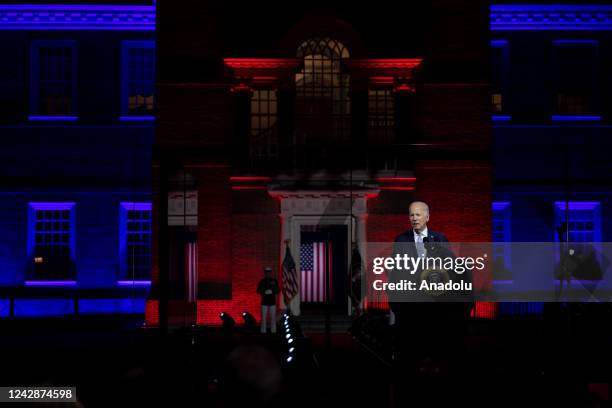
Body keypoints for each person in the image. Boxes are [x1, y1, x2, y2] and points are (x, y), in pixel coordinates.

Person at [389, 201, 472, 374]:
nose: (414, 218)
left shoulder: (440, 238)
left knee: (435, 352)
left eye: (418, 214)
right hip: (411, 307)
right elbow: (395, 272)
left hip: (435, 306)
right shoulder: (401, 240)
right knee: (412, 354)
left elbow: (449, 269)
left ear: (427, 217)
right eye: (411, 215)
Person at [257, 266, 280, 334]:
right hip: (264, 302)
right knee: (263, 318)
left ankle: (273, 331)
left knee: (273, 318)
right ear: (265, 273)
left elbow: (278, 289)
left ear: (271, 273)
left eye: (269, 273)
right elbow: (258, 290)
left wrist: (272, 291)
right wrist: (264, 291)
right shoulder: (262, 281)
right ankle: (263, 331)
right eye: (267, 273)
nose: (268, 274)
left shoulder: (274, 280)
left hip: (272, 302)